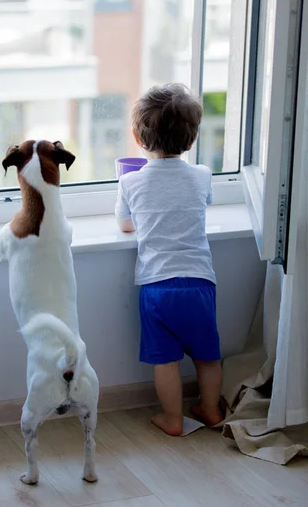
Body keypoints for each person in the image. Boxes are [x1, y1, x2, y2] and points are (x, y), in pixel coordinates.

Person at [115, 83, 223, 436]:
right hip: (199, 282)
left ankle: (173, 419)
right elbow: (200, 204)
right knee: (207, 355)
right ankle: (210, 409)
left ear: (137, 136)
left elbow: (126, 225)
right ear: (191, 139)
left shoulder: (131, 182)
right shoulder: (202, 174)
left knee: (166, 360)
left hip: (157, 286)